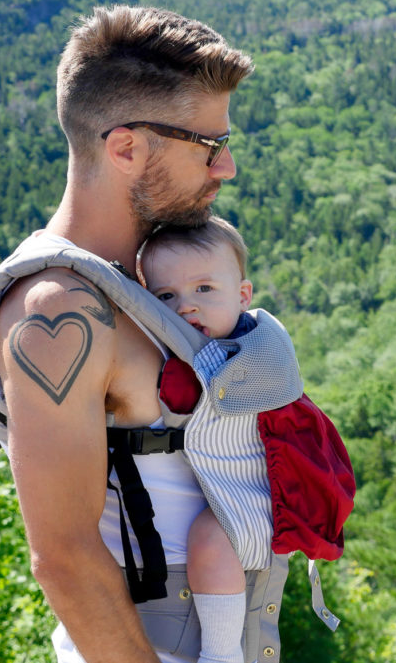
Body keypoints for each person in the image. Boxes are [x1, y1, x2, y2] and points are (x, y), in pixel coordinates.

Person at [0, 5, 256, 663]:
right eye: (210, 147)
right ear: (127, 146)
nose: (224, 169)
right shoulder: (57, 307)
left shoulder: (140, 283)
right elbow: (65, 557)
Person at [138, 217, 355, 663]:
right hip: (246, 487)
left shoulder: (254, 349)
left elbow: (186, 394)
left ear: (243, 296)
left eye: (204, 290)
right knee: (211, 540)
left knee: (211, 541)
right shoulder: (219, 339)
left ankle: (221, 654)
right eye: (165, 297)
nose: (185, 309)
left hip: (263, 495)